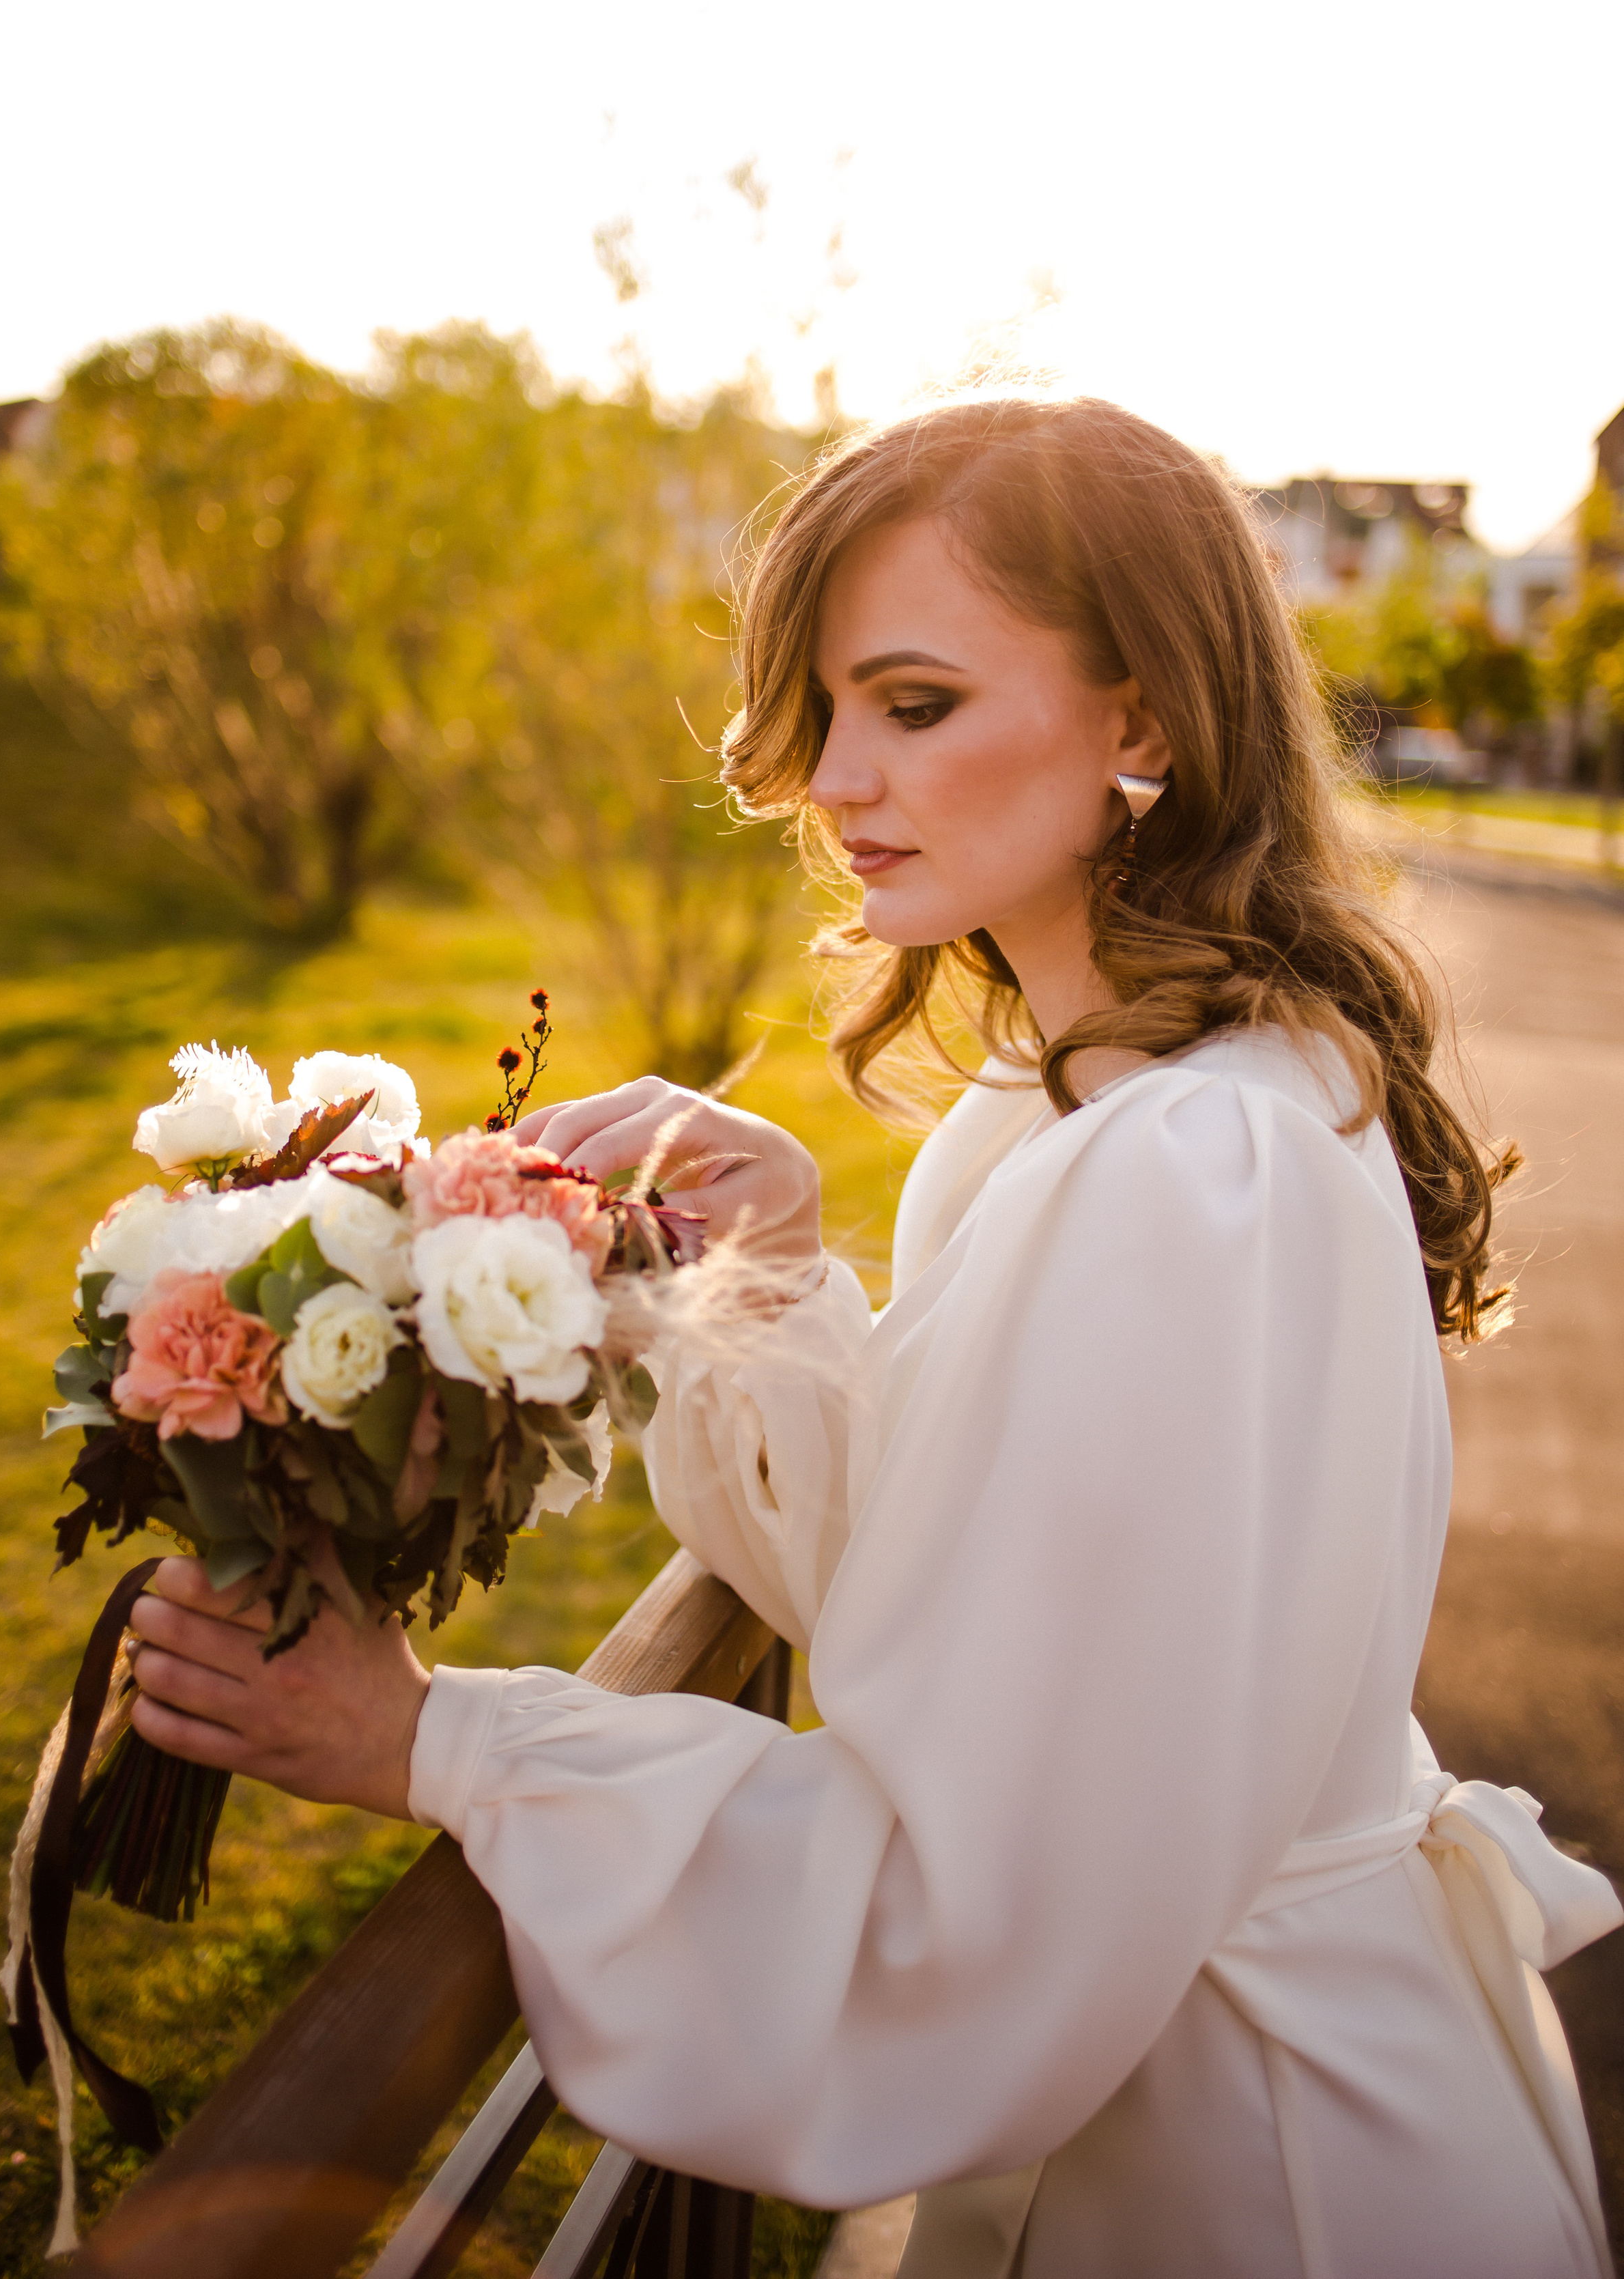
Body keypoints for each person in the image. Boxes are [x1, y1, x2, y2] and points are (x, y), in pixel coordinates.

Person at [126, 397, 1621, 2278]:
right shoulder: (1100, 1107)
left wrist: (446, 1743)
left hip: (1266, 2180)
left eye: (914, 705)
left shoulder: (1195, 1169)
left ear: (1146, 721)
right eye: (825, 712)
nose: (834, 782)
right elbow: (976, 1613)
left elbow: (988, 1904)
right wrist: (769, 1274)